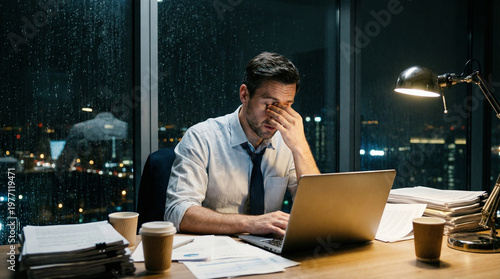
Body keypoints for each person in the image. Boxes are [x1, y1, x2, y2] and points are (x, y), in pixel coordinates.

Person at [164, 52, 320, 236]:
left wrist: (300, 146)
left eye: (285, 106)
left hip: (269, 254)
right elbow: (178, 213)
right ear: (244, 95)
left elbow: (318, 212)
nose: (276, 116)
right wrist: (252, 224)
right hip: (215, 254)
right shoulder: (201, 138)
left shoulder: (288, 142)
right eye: (270, 105)